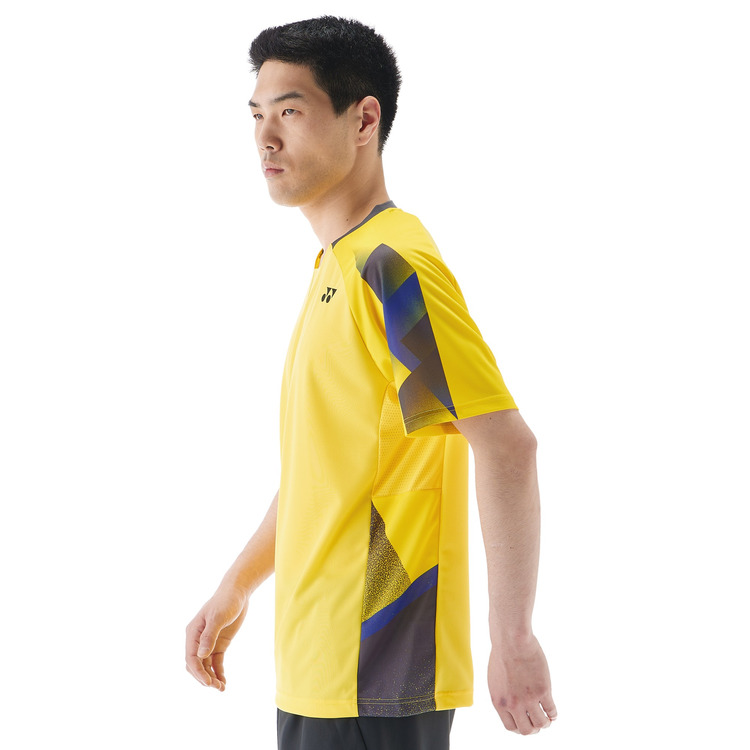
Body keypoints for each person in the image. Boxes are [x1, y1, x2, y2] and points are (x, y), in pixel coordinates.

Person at [185, 16, 557, 749]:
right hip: (320, 670)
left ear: (363, 120)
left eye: (290, 111)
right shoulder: (339, 265)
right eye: (256, 115)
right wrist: (238, 583)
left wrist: (512, 637)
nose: (265, 138)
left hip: (375, 673)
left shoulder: (390, 268)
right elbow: (328, 473)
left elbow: (505, 444)